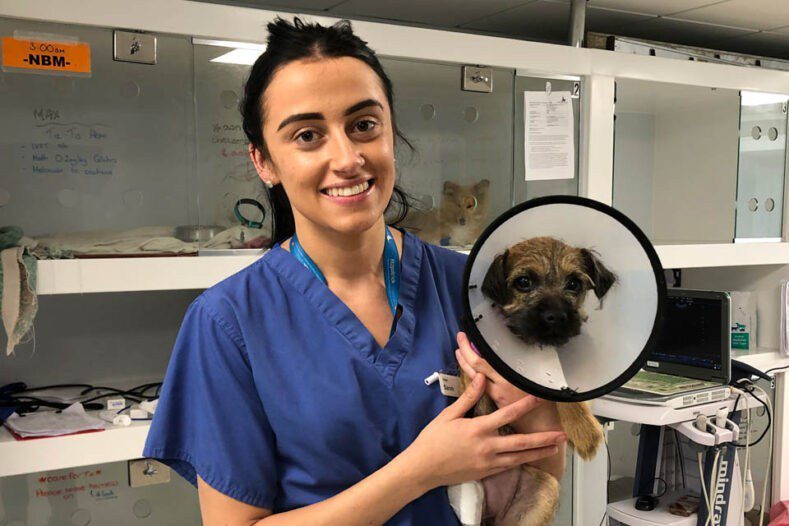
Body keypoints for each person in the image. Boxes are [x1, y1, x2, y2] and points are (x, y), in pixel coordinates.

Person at [143, 17, 567, 526]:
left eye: (364, 125)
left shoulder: (475, 288)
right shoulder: (228, 321)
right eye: (307, 135)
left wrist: (533, 406)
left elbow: (542, 469)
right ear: (264, 162)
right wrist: (418, 472)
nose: (347, 158)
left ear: (391, 132)